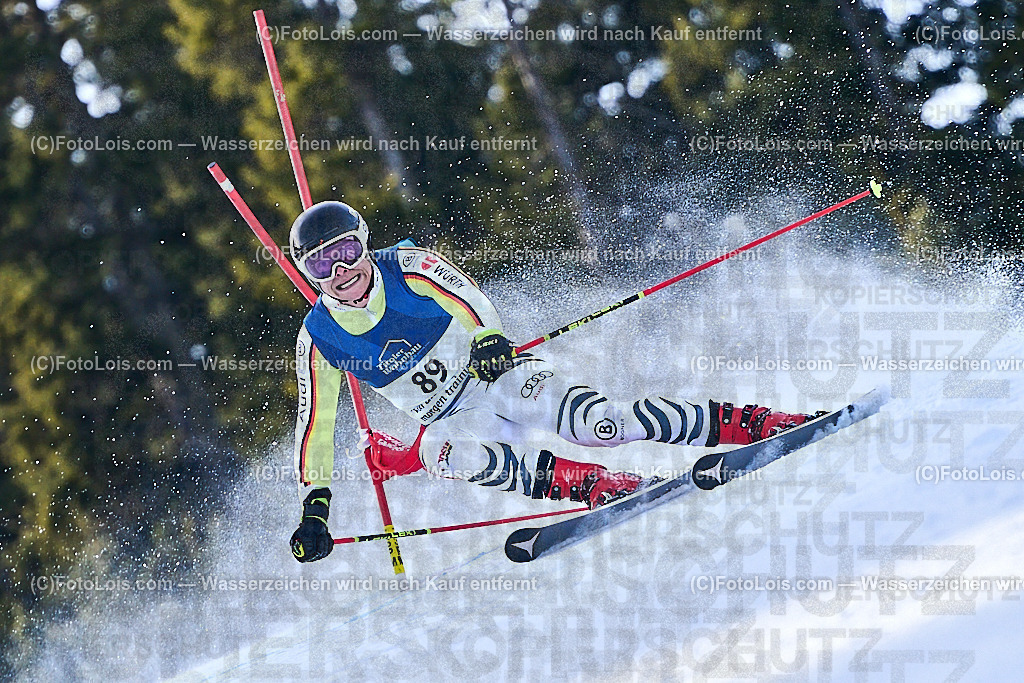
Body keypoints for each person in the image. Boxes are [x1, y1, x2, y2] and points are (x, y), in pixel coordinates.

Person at [288, 201, 817, 563]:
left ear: (363, 243)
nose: (341, 272)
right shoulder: (317, 338)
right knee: (443, 454)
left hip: (494, 376)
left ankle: (759, 423)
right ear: (310, 276)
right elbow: (315, 428)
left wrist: (487, 336)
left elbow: (466, 296)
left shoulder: (406, 265)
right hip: (455, 419)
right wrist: (316, 510)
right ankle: (595, 485)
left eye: (346, 252)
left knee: (601, 425)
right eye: (322, 265)